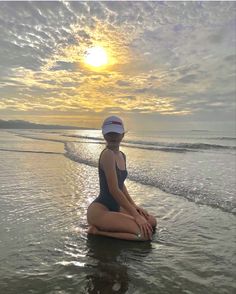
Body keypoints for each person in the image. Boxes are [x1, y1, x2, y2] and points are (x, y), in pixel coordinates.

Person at [87, 116, 157, 241]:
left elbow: (120, 185)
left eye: (116, 133)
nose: (113, 137)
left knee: (152, 221)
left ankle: (114, 224)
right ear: (104, 134)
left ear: (123, 134)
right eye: (109, 133)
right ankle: (97, 232)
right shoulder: (107, 154)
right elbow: (114, 190)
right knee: (144, 235)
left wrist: (134, 206)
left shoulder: (122, 155)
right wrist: (136, 216)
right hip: (100, 210)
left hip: (116, 208)